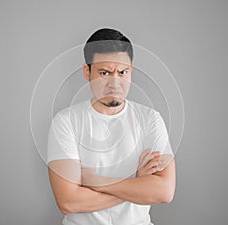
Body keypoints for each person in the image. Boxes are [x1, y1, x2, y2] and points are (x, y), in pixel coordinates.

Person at [47, 28, 176, 225]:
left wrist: (95, 181)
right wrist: (136, 183)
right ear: (87, 72)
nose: (115, 83)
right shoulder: (65, 122)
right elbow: (69, 202)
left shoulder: (150, 119)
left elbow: (164, 192)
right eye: (104, 73)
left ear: (131, 70)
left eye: (123, 72)